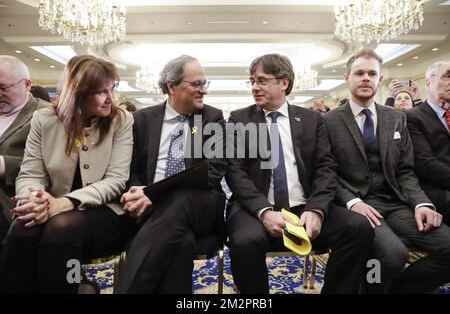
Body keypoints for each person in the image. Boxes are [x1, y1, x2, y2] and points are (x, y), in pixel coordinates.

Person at [225, 53, 374, 294]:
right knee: (244, 242)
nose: (254, 87)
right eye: (252, 81)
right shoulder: (239, 119)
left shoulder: (311, 119)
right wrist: (264, 212)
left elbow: (326, 168)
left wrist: (316, 210)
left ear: (284, 83)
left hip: (303, 207)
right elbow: (235, 172)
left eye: (262, 80)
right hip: (256, 209)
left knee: (358, 228)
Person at [0, 55, 136, 293]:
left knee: (61, 228)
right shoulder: (44, 119)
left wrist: (65, 203)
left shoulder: (121, 120)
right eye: (101, 92)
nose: (110, 99)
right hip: (50, 207)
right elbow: (30, 172)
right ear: (79, 94)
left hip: (104, 211)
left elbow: (116, 181)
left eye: (112, 89)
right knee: (23, 226)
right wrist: (34, 199)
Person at [323, 48, 450, 293]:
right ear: (347, 77)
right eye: (359, 73)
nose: (366, 78)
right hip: (359, 206)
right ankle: (370, 288)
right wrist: (352, 202)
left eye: (372, 73)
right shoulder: (329, 121)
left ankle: (397, 289)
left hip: (396, 203)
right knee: (392, 256)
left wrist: (422, 204)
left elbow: (405, 170)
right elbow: (327, 171)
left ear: (380, 80)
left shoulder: (395, 118)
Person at [116, 55, 227, 294]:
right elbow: (132, 170)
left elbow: (212, 172)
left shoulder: (212, 118)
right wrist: (138, 191)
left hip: (201, 203)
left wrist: (154, 194)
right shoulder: (142, 119)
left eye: (205, 83)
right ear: (171, 86)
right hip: (150, 208)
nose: (204, 90)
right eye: (196, 84)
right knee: (181, 243)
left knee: (179, 199)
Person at [0, 55, 49, 242]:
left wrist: (5, 166)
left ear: (27, 84)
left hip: (14, 200)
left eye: (3, 88)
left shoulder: (47, 116)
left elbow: (54, 166)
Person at [406, 61, 450, 225]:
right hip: (437, 189)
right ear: (429, 82)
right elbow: (426, 163)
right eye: (448, 76)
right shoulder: (412, 117)